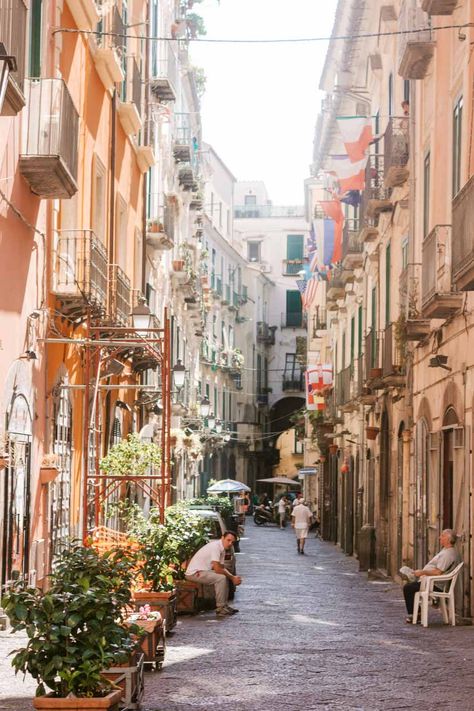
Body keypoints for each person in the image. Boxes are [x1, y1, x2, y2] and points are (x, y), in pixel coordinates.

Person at [401, 529, 459, 624]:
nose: (440, 537)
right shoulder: (445, 550)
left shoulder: (448, 554)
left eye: (442, 536)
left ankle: (415, 615)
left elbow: (438, 572)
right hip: (429, 581)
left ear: (448, 539)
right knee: (410, 586)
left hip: (434, 584)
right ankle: (416, 614)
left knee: (408, 588)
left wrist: (422, 572)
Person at [185, 531, 242, 617]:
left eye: (232, 542)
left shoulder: (222, 549)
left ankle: (224, 606)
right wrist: (232, 578)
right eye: (228, 540)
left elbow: (222, 568)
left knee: (224, 577)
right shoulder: (216, 547)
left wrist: (232, 577)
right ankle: (220, 608)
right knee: (221, 578)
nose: (230, 543)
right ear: (222, 538)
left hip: (203, 571)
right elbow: (217, 569)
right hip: (194, 573)